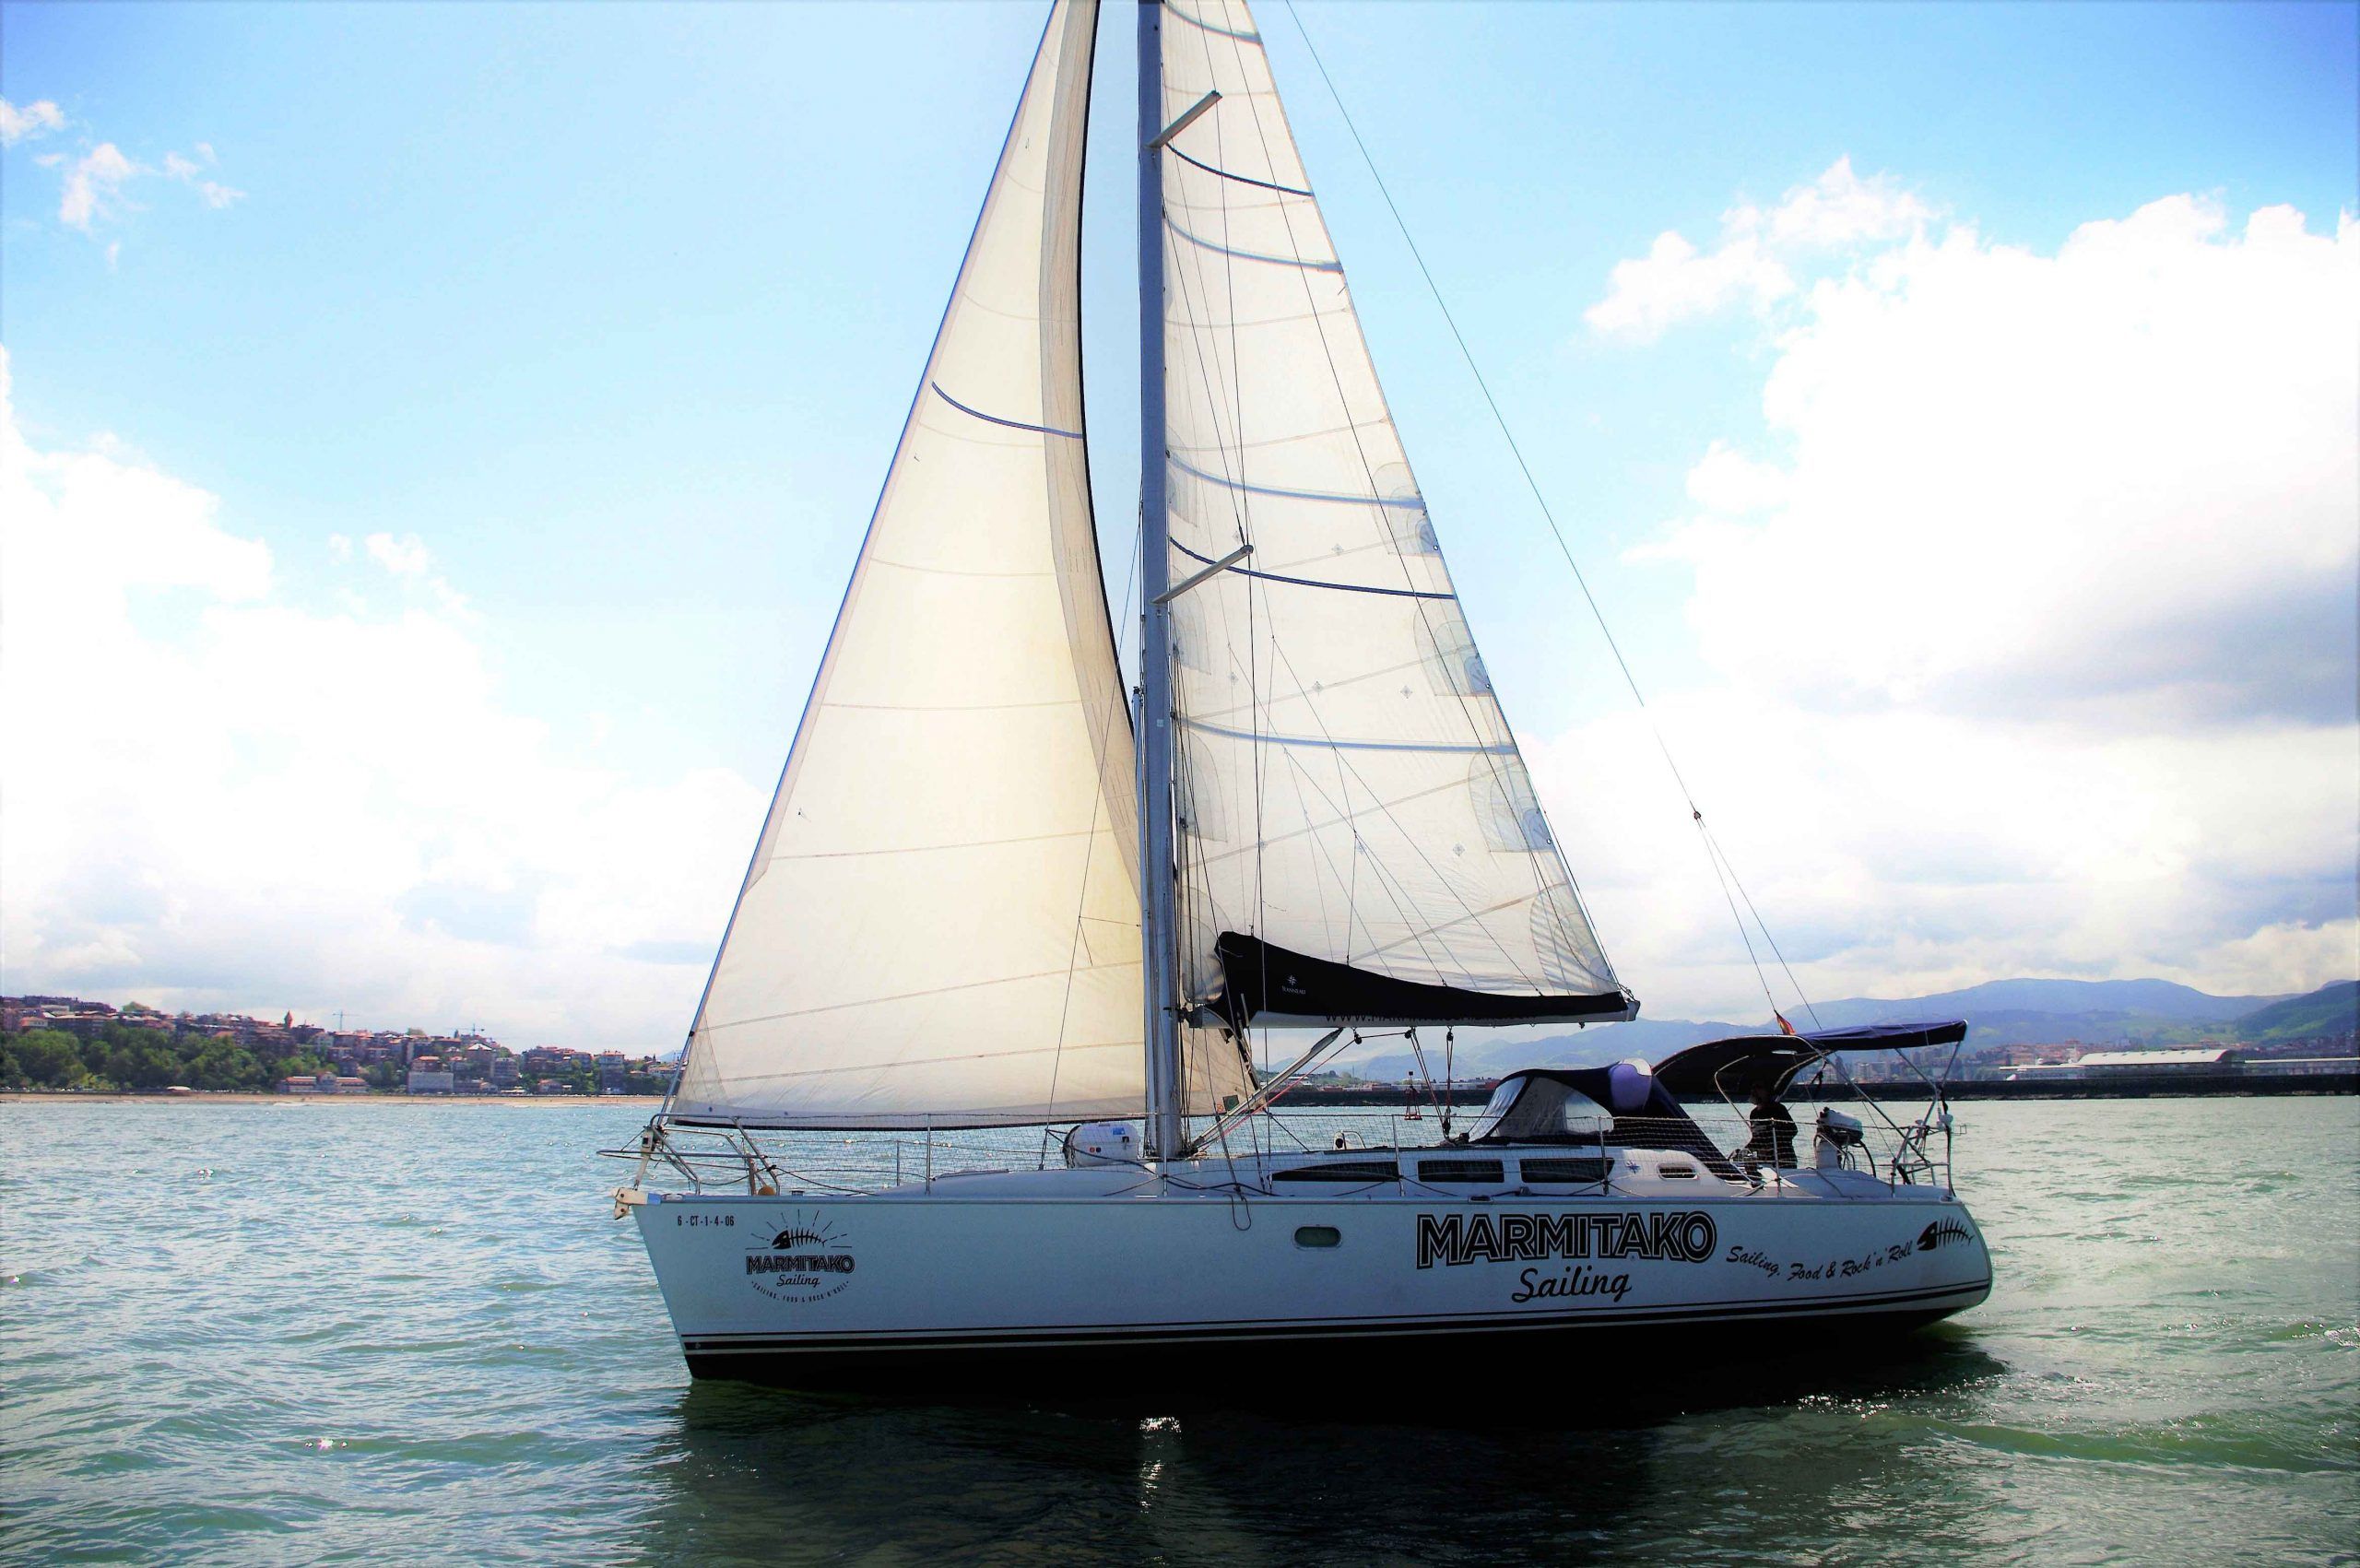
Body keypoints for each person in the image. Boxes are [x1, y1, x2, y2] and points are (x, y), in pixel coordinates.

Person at [1744, 1079, 1798, 1170]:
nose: (1754, 1091)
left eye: (1758, 1088)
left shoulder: (1778, 1108)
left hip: (1783, 1159)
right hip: (1764, 1161)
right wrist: (1746, 1150)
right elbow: (1756, 1138)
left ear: (1767, 1092)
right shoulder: (1754, 1113)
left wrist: (1771, 1141)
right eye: (1753, 1089)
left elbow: (1792, 1130)